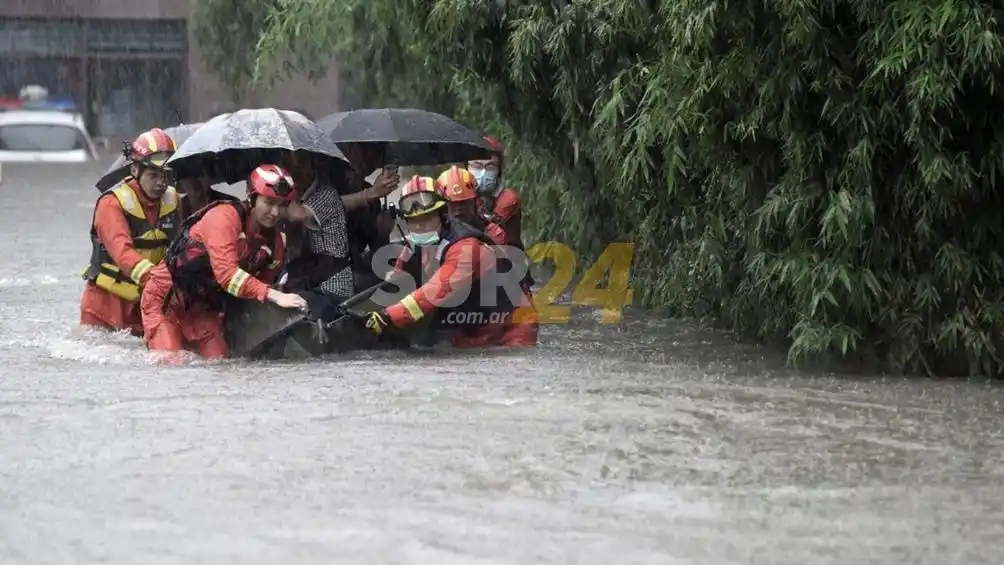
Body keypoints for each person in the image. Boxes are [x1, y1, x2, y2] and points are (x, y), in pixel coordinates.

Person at [140, 164, 307, 360]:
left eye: (282, 205)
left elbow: (260, 288)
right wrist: (274, 295)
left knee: (220, 362)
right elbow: (227, 276)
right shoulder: (224, 217)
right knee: (170, 362)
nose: (275, 212)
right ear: (252, 198)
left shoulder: (276, 244)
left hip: (204, 309)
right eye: (269, 202)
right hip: (166, 300)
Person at [357, 175, 536, 348]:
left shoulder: (465, 247)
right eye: (413, 221)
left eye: (427, 219)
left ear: (442, 215)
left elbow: (436, 291)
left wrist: (388, 317)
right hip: (469, 328)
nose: (420, 227)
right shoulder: (416, 246)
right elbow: (397, 284)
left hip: (511, 329)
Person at [80, 128, 180, 335]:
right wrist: (156, 280)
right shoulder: (112, 204)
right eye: (154, 175)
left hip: (146, 305)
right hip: (104, 307)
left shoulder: (175, 201)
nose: (161, 183)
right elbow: (121, 251)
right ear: (135, 170)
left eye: (166, 176)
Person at [278, 152, 354, 320]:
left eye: (298, 165)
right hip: (307, 279)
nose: (293, 172)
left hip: (332, 285)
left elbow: (297, 215)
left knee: (289, 313)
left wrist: (269, 206)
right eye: (288, 167)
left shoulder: (325, 194)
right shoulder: (297, 197)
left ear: (312, 164)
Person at [338, 144, 401, 290]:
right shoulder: (328, 181)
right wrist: (371, 193)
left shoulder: (372, 197)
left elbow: (377, 251)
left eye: (376, 153)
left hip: (355, 268)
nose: (369, 159)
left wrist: (383, 231)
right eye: (363, 151)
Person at [469, 136, 525, 249]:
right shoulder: (460, 194)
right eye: (477, 166)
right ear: (466, 167)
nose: (483, 172)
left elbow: (488, 235)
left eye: (490, 167)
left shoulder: (507, 198)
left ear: (498, 171)